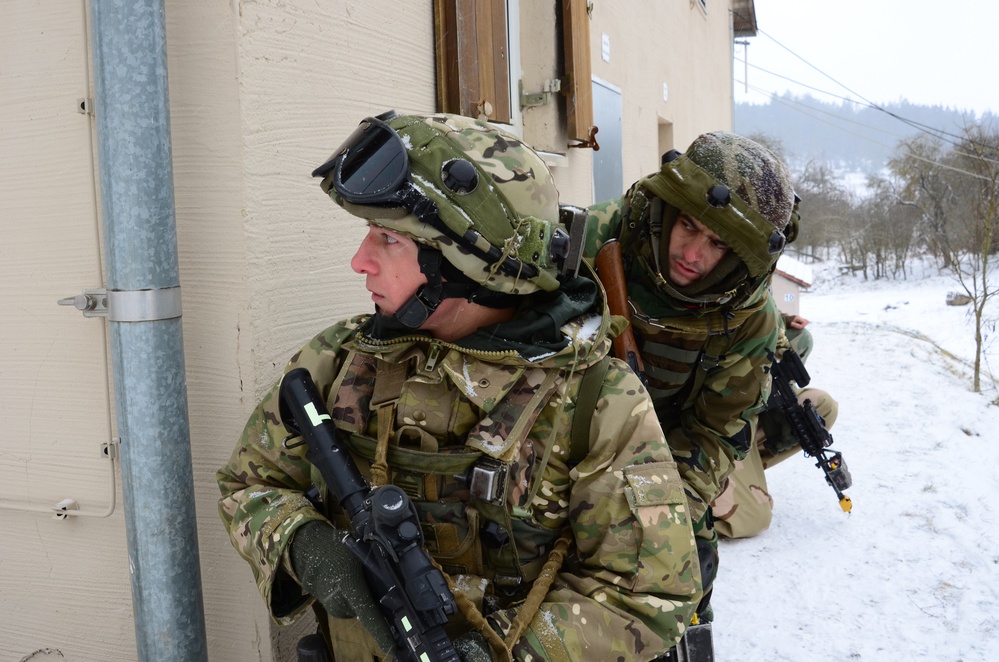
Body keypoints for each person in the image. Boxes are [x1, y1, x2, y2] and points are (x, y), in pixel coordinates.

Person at [217, 111, 702, 662]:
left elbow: (648, 593)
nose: (360, 262)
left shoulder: (596, 399)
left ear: (470, 263)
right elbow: (248, 484)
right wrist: (304, 545)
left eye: (388, 240)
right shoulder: (341, 361)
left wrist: (509, 653)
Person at [583, 131, 797, 619]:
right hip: (567, 428)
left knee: (683, 567)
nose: (692, 254)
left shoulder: (751, 321)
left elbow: (717, 433)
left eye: (717, 243)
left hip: (671, 443)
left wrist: (662, 509)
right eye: (687, 225)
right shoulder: (597, 237)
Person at [709, 311, 840, 539]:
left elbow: (758, 302)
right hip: (719, 413)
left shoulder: (754, 280)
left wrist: (784, 320)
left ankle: (741, 472)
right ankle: (699, 490)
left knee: (822, 409)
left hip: (749, 405)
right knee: (753, 519)